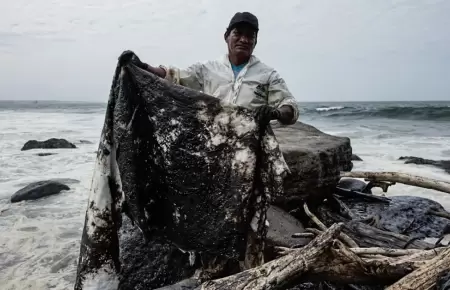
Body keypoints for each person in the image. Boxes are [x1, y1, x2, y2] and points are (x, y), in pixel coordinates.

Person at [119, 12, 299, 126]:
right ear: (226, 36)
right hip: (212, 143)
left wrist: (275, 112)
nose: (244, 39)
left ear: (255, 42)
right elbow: (174, 77)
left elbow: (289, 106)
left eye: (250, 36)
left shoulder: (268, 75)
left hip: (250, 148)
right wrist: (142, 67)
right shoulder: (206, 69)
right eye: (238, 33)